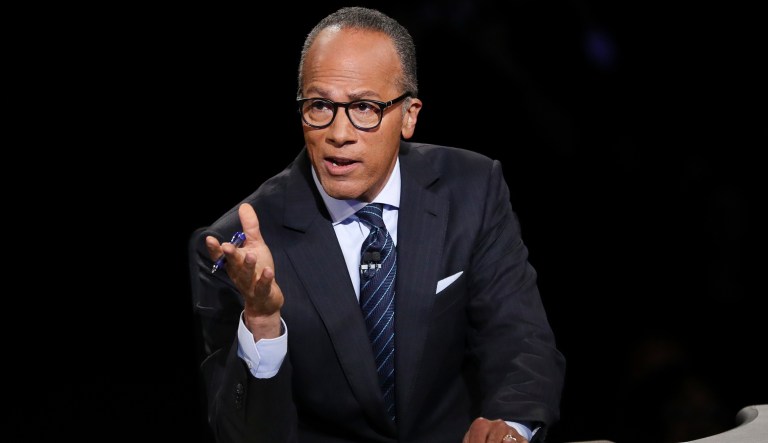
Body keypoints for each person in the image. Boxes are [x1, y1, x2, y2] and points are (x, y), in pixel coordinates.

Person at [188, 6, 566, 443]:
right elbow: (243, 434)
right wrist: (262, 320)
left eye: (364, 107)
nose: (339, 133)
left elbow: (519, 338)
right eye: (319, 106)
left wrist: (512, 425)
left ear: (409, 116)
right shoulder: (235, 247)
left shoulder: (471, 188)